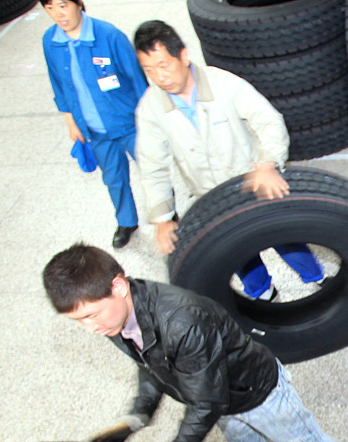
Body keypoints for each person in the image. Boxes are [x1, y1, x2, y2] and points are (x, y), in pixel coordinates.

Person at [42, 242, 348, 442]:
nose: (90, 328)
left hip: (259, 393)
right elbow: (152, 364)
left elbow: (206, 403)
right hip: (222, 400)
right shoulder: (116, 318)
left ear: (118, 286)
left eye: (91, 315)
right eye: (79, 321)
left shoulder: (182, 320)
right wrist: (139, 414)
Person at [132, 19, 324, 300]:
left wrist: (268, 163)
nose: (160, 77)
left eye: (164, 65)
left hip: (252, 182)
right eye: (149, 70)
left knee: (283, 236)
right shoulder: (151, 108)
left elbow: (268, 121)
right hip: (210, 195)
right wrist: (162, 219)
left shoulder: (224, 84)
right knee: (236, 251)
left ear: (183, 56)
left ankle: (316, 278)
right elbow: (152, 167)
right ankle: (262, 292)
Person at [41, 0, 147, 249]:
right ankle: (127, 221)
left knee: (152, 171)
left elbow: (137, 78)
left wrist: (149, 120)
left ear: (79, 4)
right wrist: (71, 122)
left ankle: (168, 215)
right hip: (94, 129)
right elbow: (57, 83)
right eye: (50, 8)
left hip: (129, 122)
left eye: (63, 5)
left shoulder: (109, 35)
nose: (59, 14)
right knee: (113, 178)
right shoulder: (51, 41)